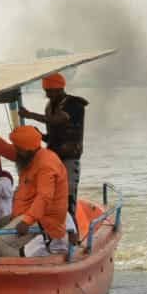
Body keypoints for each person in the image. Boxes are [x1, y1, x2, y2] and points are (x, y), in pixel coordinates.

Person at [0, 117, 69, 258]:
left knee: (0, 242)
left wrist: (27, 221)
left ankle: (22, 269)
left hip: (45, 219)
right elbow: (1, 146)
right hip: (25, 213)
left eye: (17, 148)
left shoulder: (46, 164)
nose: (14, 150)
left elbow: (44, 197)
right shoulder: (28, 154)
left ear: (26, 150)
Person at [19, 73, 87, 212]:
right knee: (51, 195)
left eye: (50, 91)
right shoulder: (50, 106)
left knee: (68, 199)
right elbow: (53, 137)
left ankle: (73, 230)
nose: (48, 95)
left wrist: (30, 115)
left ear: (59, 88)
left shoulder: (74, 104)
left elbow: (57, 120)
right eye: (46, 91)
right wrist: (39, 136)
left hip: (69, 158)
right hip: (52, 159)